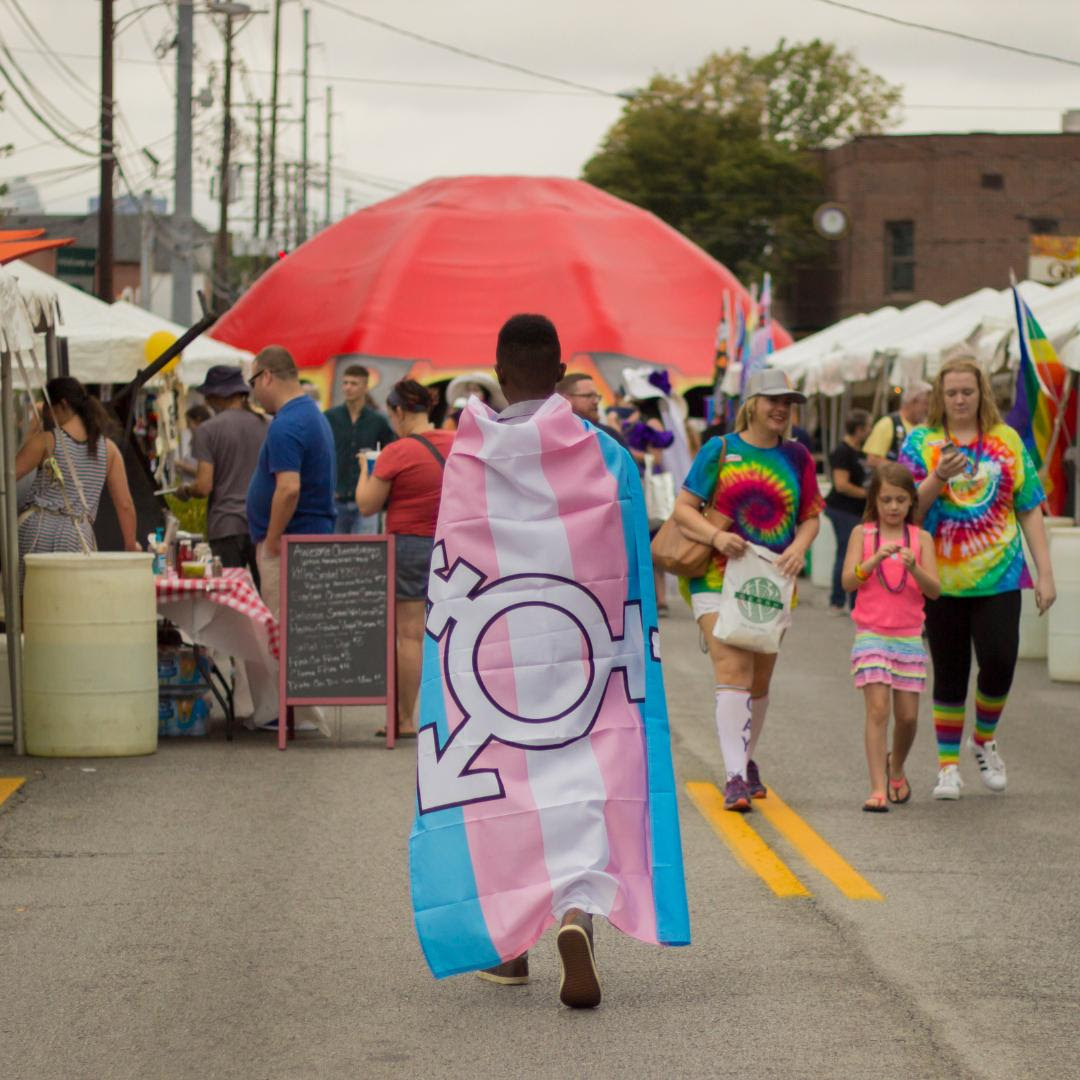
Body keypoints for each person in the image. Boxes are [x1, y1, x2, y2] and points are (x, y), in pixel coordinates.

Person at [410, 314, 689, 1009]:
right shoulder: (606, 456)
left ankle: (508, 955)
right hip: (587, 656)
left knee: (504, 797)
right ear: (561, 370)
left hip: (494, 665)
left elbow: (451, 566)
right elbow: (629, 568)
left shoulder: (469, 458)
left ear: (500, 373)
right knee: (583, 792)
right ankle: (575, 917)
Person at [900, 356, 1055, 800]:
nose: (960, 399)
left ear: (982, 393)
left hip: (1001, 575)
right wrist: (936, 477)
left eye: (968, 391)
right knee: (950, 671)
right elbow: (906, 509)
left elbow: (1028, 507)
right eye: (951, 393)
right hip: (940, 578)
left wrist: (1045, 573)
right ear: (939, 397)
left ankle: (984, 739)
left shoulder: (1006, 441)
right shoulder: (920, 443)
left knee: (1001, 661)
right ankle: (948, 767)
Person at [672, 369, 823, 811]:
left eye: (788, 402)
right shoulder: (721, 449)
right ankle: (735, 776)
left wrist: (798, 547)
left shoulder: (797, 457)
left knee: (760, 678)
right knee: (733, 666)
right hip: (715, 576)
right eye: (772, 399)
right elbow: (683, 509)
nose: (780, 408)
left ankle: (746, 758)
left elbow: (811, 515)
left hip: (770, 581)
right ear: (752, 403)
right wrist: (716, 537)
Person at [354, 379, 454, 738]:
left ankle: (405, 719)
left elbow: (367, 503)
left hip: (409, 545)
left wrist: (367, 467)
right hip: (453, 545)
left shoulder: (398, 451)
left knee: (410, 635)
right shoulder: (456, 443)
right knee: (450, 631)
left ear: (399, 411)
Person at [841, 463, 940, 812]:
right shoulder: (862, 535)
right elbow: (848, 582)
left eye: (900, 500)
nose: (894, 507)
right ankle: (877, 789)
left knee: (909, 717)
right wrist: (871, 563)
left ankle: (895, 766)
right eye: (886, 500)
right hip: (871, 634)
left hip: (909, 637)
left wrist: (915, 567)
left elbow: (935, 590)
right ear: (875, 501)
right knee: (878, 709)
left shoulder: (921, 539)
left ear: (911, 501)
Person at [15, 376, 138, 588]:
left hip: (37, 532)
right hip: (77, 537)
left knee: (32, 607)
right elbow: (125, 505)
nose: (47, 416)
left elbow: (8, 476)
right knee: (70, 607)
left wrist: (31, 431)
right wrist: (130, 545)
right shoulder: (108, 449)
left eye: (47, 409)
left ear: (62, 404)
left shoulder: (47, 440)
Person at [246, 345, 336, 617]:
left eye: (253, 382)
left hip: (291, 544)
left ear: (267, 377)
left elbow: (288, 489)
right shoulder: (310, 414)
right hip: (308, 540)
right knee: (303, 631)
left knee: (283, 630)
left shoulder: (287, 423)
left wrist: (272, 541)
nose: (254, 391)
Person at [177, 365, 267, 587]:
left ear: (218, 395)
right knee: (267, 596)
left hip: (226, 525)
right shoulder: (268, 424)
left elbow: (204, 486)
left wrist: (186, 490)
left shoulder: (207, 430)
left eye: (208, 396)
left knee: (227, 596)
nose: (207, 402)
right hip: (262, 524)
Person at [324, 364, 395, 534]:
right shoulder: (329, 417)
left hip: (367, 501)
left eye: (354, 383)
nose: (348, 388)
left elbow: (390, 455)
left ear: (365, 386)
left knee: (367, 554)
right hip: (336, 499)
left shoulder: (378, 421)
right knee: (334, 555)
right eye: (345, 383)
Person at [825, 409, 872, 614]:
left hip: (856, 511)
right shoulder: (842, 452)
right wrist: (867, 494)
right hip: (842, 509)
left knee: (857, 554)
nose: (871, 431)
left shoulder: (860, 451)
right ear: (859, 429)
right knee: (846, 554)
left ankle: (855, 601)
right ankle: (837, 601)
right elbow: (841, 484)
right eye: (868, 427)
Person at [864, 382, 931, 469]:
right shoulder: (888, 423)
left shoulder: (925, 427)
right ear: (913, 401)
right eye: (926, 404)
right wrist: (903, 469)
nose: (929, 409)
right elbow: (872, 460)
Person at [556, 372, 628, 447]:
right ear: (566, 399)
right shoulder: (603, 434)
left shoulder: (550, 434)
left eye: (596, 396)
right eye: (588, 396)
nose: (596, 401)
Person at [176, 404, 211, 479]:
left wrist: (181, 465)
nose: (188, 427)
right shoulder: (195, 441)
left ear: (198, 421)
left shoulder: (206, 443)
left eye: (189, 423)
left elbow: (204, 473)